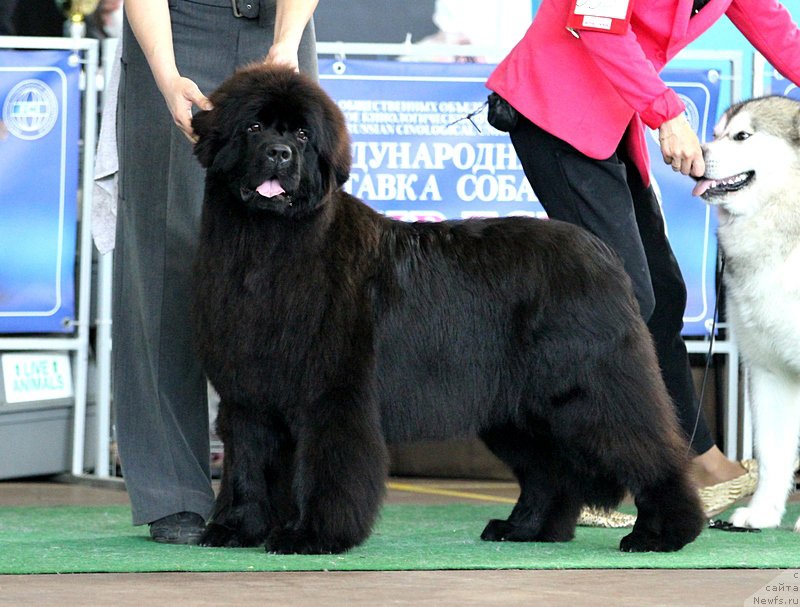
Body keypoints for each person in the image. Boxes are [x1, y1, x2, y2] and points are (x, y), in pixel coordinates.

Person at [487, 0, 800, 515]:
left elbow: (778, 31)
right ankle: (595, 478)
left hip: (610, 118)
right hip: (555, 112)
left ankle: (698, 460)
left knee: (662, 295)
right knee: (621, 298)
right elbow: (596, 21)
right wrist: (667, 113)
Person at [113, 0, 317, 544]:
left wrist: (286, 41)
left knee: (296, 264)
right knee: (166, 257)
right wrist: (166, 75)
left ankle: (280, 487)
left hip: (280, 27)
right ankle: (172, 491)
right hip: (175, 28)